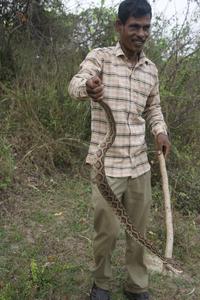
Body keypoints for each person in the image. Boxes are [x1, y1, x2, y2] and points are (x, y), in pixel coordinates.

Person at [68, 0, 171, 299]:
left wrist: (160, 130)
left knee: (138, 233)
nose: (141, 33)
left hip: (139, 165)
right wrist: (88, 87)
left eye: (146, 27)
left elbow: (154, 108)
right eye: (135, 26)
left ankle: (136, 286)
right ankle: (101, 284)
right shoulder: (100, 58)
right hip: (106, 168)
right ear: (119, 26)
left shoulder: (151, 70)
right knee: (107, 233)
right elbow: (75, 84)